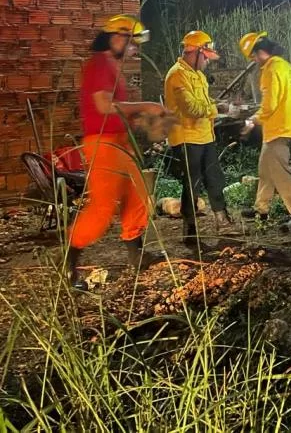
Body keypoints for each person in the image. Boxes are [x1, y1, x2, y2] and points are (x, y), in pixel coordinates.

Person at [66, 15, 168, 289]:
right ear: (117, 37)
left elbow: (116, 110)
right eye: (132, 43)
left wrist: (139, 121)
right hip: (102, 144)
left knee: (138, 194)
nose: (135, 50)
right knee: (102, 207)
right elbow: (103, 106)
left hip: (118, 142)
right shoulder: (99, 64)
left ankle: (137, 255)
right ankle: (70, 263)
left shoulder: (112, 66)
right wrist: (146, 106)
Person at [164, 30, 235, 251]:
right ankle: (190, 232)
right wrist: (219, 108)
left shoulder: (199, 76)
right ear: (194, 53)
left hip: (205, 136)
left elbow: (203, 103)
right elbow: (192, 108)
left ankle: (222, 222)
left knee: (214, 178)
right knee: (192, 184)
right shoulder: (177, 75)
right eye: (205, 57)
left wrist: (218, 107)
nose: (206, 62)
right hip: (186, 138)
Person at [237, 32, 291, 233]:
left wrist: (252, 120)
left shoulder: (271, 70)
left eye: (253, 56)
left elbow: (269, 105)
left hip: (278, 129)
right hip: (281, 127)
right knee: (266, 170)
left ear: (261, 52)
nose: (253, 60)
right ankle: (261, 209)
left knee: (280, 175)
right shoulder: (284, 66)